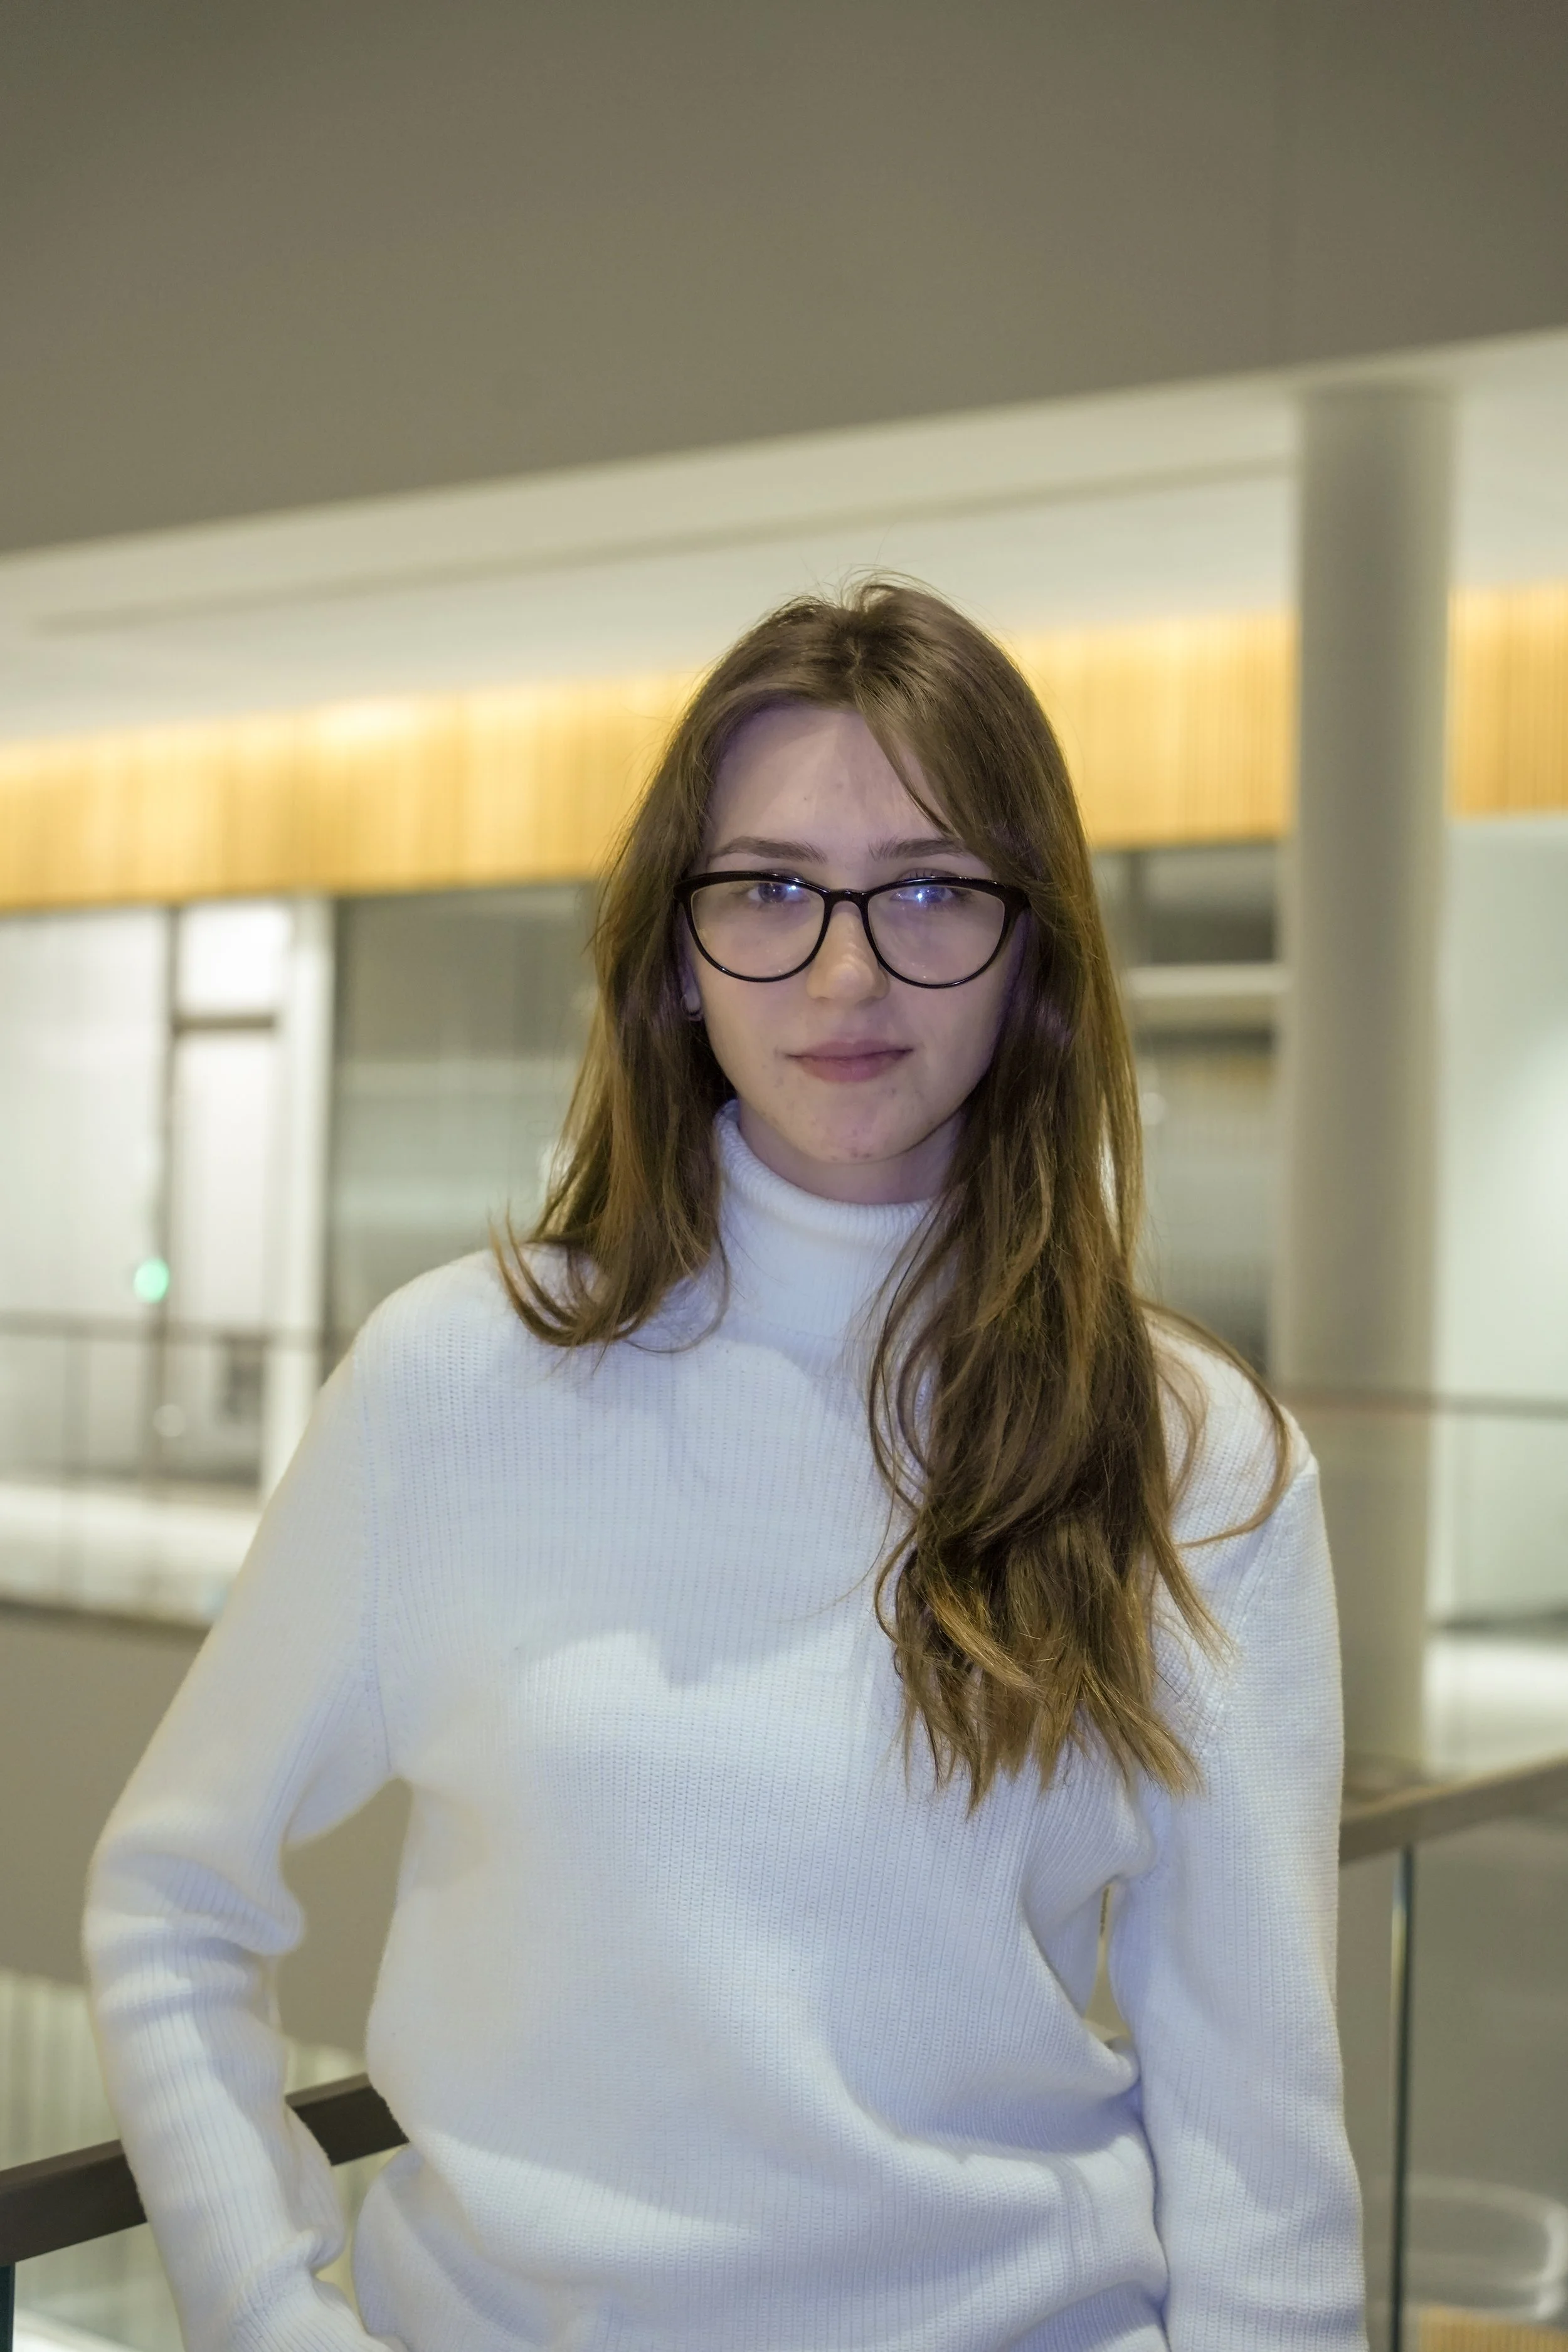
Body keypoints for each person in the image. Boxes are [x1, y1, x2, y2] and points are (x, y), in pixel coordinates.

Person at [85, 582, 1366, 2351]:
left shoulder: (1189, 1455)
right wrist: (270, 2315)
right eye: (767, 887)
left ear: (1033, 946)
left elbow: (1259, 2139)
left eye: (926, 885)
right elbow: (171, 1902)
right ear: (677, 949)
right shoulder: (457, 1379)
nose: (846, 968)